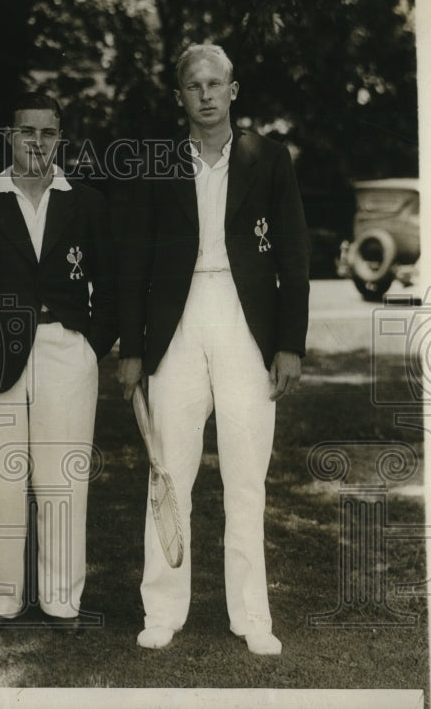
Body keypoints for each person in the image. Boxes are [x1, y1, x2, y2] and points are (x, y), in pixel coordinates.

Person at [117, 43, 309, 655]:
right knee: (170, 470)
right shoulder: (156, 163)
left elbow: (295, 255)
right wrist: (133, 347)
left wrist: (289, 344)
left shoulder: (268, 159)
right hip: (176, 320)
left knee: (246, 473)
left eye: (215, 84)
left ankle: (252, 616)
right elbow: (133, 258)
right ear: (181, 97)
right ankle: (163, 610)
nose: (205, 95)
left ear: (233, 90)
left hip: (244, 318)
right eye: (193, 86)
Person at [0, 93, 118, 633]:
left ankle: (61, 601)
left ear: (60, 137)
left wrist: (91, 343)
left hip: (65, 351)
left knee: (63, 480)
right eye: (27, 132)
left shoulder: (86, 202)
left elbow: (111, 286)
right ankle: (2, 599)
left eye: (48, 133)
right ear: (9, 135)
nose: (38, 143)